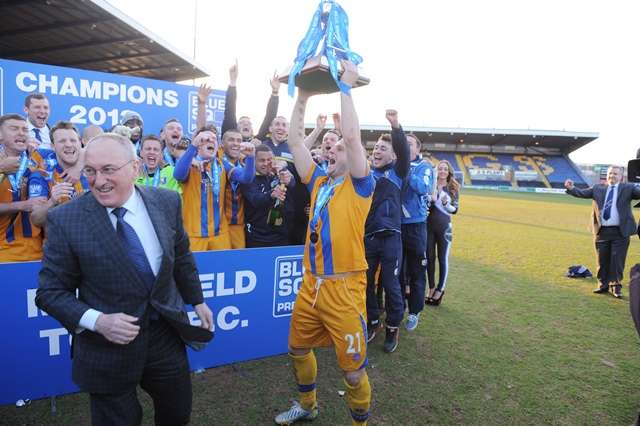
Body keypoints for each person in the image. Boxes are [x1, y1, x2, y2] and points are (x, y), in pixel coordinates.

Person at [35, 133, 213, 426]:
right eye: (90, 170)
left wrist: (197, 299)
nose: (97, 180)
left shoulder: (167, 201)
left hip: (164, 335)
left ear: (135, 168)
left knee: (177, 414)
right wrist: (99, 321)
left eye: (108, 169)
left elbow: (180, 254)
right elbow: (50, 292)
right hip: (105, 347)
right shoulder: (66, 220)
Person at [274, 60, 375, 426]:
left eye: (338, 149)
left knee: (352, 374)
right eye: (329, 148)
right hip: (311, 285)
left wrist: (346, 89)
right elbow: (295, 140)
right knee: (297, 349)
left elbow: (351, 138)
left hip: (344, 288)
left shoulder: (361, 184)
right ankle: (308, 405)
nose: (331, 150)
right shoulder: (319, 182)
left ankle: (358, 423)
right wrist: (301, 96)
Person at [364, 110, 410, 353]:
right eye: (376, 148)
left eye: (383, 148)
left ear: (393, 155)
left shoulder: (398, 172)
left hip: (391, 238)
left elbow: (403, 151)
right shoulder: (365, 174)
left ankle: (393, 327)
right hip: (368, 237)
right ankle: (373, 322)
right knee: (365, 283)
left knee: (392, 285)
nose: (377, 151)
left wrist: (395, 127)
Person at [173, 126, 255, 251]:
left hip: (220, 233)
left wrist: (250, 158)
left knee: (224, 268)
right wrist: (193, 146)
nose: (211, 141)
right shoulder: (189, 163)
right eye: (205, 139)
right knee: (196, 270)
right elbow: (178, 175)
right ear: (198, 144)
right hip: (194, 234)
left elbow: (246, 178)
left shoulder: (223, 165)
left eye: (213, 139)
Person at [565, 166, 640, 298]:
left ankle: (615, 287)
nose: (612, 176)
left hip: (620, 232)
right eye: (610, 173)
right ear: (607, 175)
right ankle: (602, 285)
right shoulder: (597, 188)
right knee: (602, 260)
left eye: (616, 174)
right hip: (601, 231)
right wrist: (571, 188)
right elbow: (581, 193)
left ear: (621, 176)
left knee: (617, 261)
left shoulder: (628, 188)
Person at [0, 114, 47, 262]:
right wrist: (23, 205)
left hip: (39, 253)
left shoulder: (38, 160)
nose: (21, 133)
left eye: (25, 130)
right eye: (14, 129)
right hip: (5, 253)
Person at [197, 61, 281, 143]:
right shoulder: (229, 136)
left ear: (252, 131)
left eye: (249, 123)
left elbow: (269, 117)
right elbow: (230, 111)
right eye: (242, 123)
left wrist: (275, 92)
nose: (246, 124)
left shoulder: (257, 142)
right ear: (235, 127)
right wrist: (232, 81)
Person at [400, 133, 433, 330]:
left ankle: (414, 312)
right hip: (396, 225)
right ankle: (398, 307)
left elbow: (423, 187)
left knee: (417, 272)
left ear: (418, 149)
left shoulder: (424, 167)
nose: (405, 147)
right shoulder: (395, 164)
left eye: (409, 144)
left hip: (416, 227)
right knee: (396, 272)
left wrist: (406, 171)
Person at [30, 121, 91, 227]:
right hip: (59, 241)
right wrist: (52, 201)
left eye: (73, 140)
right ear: (53, 146)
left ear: (80, 143)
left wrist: (78, 167)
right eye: (62, 141)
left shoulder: (94, 168)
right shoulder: (42, 175)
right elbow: (36, 220)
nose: (68, 144)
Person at [241, 145, 294, 247]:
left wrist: (290, 180)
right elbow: (255, 200)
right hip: (258, 238)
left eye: (269, 160)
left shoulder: (277, 173)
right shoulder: (248, 179)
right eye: (262, 160)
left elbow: (293, 184)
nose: (266, 163)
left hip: (281, 236)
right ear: (254, 161)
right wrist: (271, 195)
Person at [426, 160, 460, 306]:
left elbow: (456, 210)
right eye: (440, 169)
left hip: (444, 228)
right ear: (436, 170)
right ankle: (431, 287)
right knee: (429, 257)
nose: (442, 171)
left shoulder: (453, 187)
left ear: (449, 171)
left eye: (445, 169)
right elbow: (426, 205)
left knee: (442, 259)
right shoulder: (430, 185)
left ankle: (440, 290)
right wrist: (429, 200)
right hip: (428, 226)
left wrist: (447, 204)